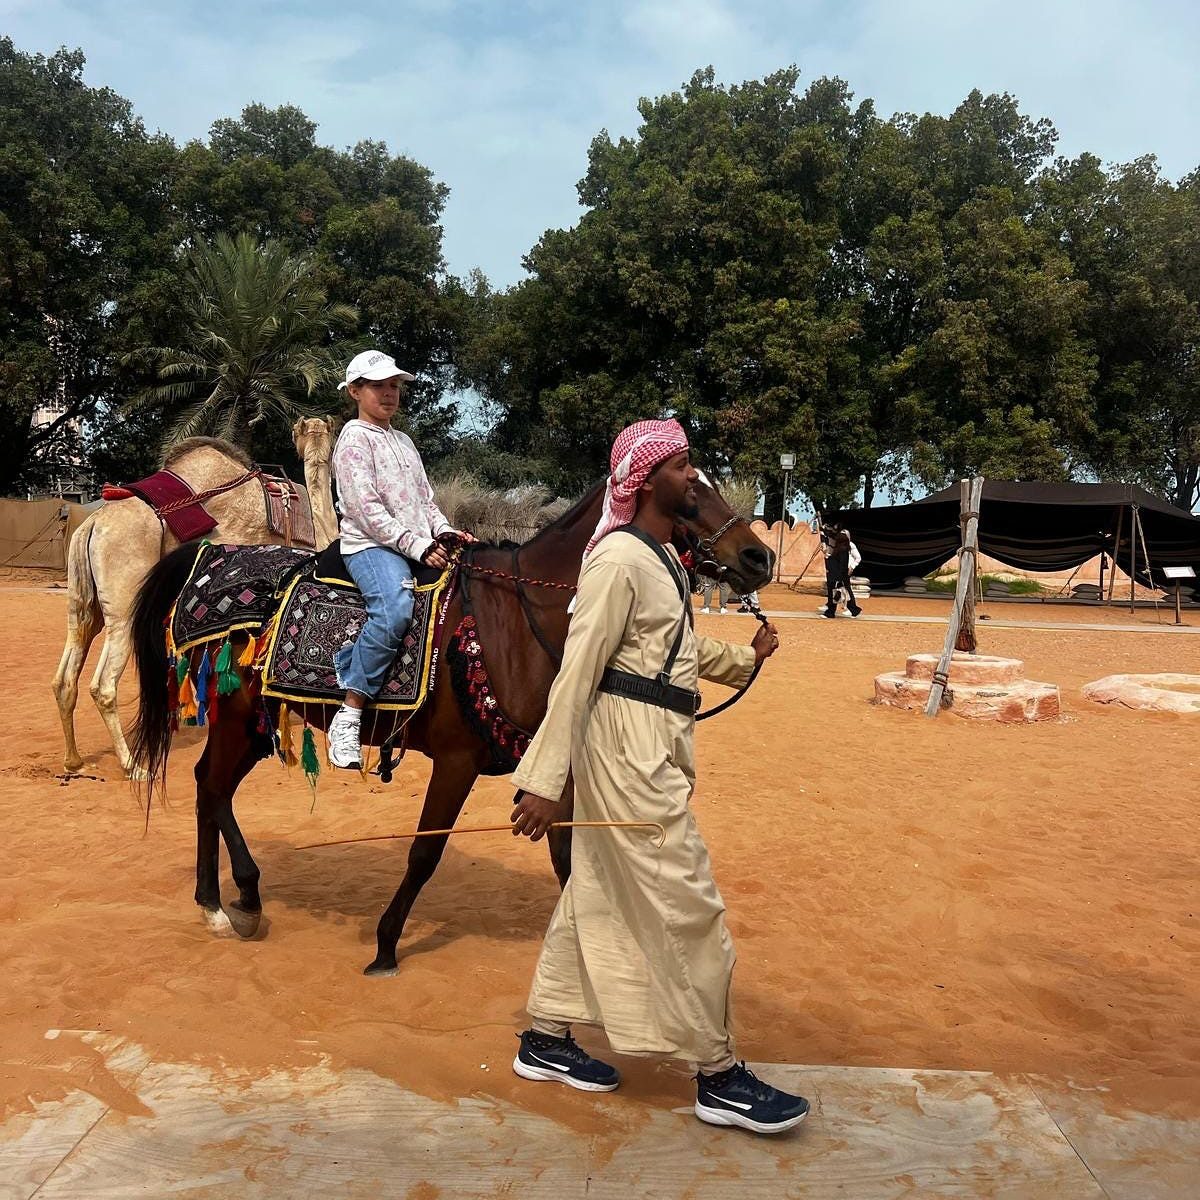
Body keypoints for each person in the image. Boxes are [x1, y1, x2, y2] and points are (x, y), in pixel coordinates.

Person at [508, 418, 809, 1136]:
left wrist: (742, 658)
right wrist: (545, 779)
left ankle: (545, 1036)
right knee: (689, 903)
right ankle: (718, 1074)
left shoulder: (660, 559)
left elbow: (667, 646)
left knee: (599, 889)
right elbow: (579, 671)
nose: (694, 477)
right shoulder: (615, 561)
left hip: (653, 740)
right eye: (682, 466)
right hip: (624, 751)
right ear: (645, 481)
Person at [326, 350, 472, 769]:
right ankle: (350, 711)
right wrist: (417, 545)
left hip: (414, 542)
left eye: (394, 386)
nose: (389, 394)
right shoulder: (353, 439)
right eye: (378, 386)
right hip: (371, 547)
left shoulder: (403, 441)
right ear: (355, 391)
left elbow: (426, 500)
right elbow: (365, 509)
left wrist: (444, 530)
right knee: (393, 610)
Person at [822, 527, 861, 619]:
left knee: (839, 592)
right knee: (840, 593)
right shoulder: (839, 548)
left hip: (841, 574)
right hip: (839, 574)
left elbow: (845, 563)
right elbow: (834, 560)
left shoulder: (845, 549)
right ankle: (853, 610)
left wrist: (849, 569)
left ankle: (833, 611)